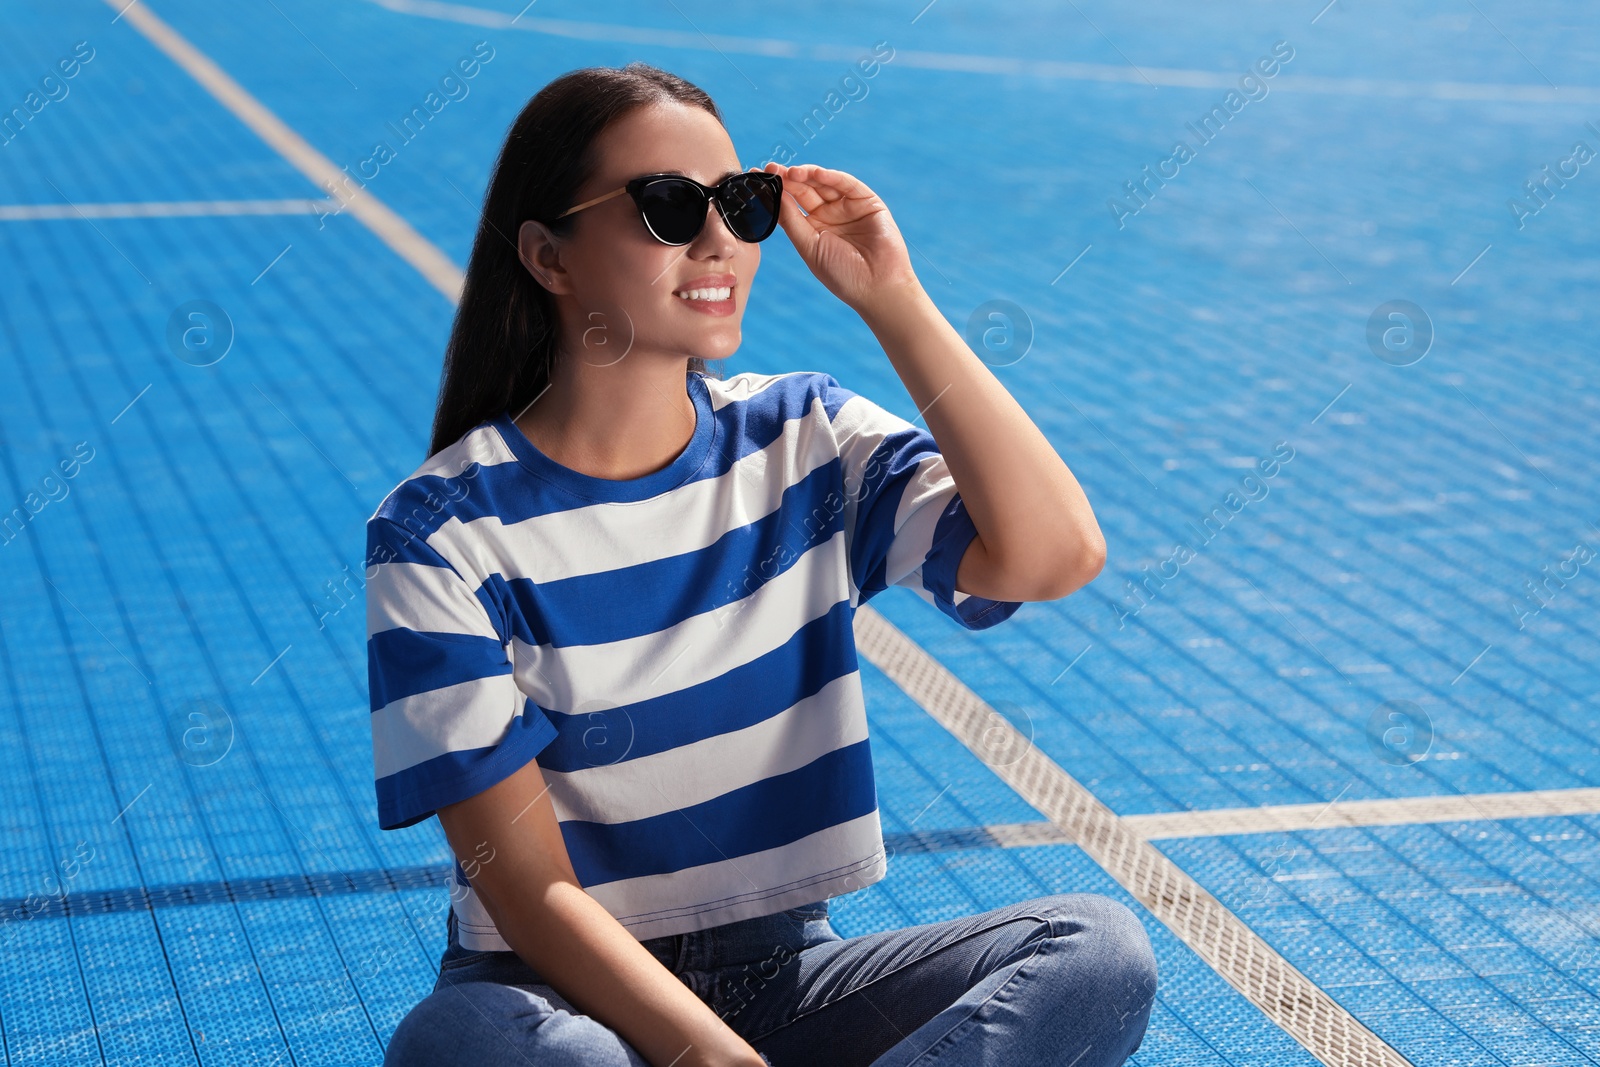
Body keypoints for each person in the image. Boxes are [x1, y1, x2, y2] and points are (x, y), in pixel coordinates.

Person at [367, 60, 1155, 1067]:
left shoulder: (806, 438)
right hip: (553, 1001)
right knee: (483, 1048)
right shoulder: (439, 531)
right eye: (666, 206)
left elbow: (1050, 554)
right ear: (548, 256)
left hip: (786, 983)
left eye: (741, 205)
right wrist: (708, 1056)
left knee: (1095, 951)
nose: (717, 241)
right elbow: (530, 891)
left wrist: (893, 299)